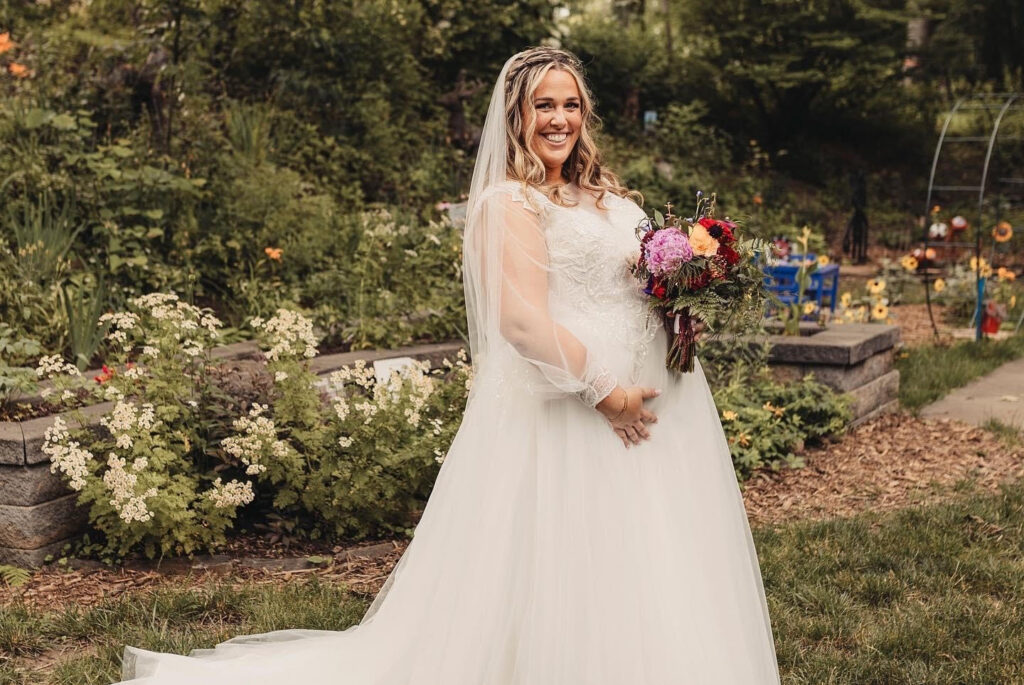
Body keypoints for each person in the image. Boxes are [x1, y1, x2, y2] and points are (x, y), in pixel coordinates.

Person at [116, 46, 781, 684]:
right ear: (516, 116)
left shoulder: (605, 196)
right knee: (571, 555)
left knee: (650, 551)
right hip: (574, 407)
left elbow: (629, 282)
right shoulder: (508, 203)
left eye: (571, 104)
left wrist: (682, 282)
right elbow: (520, 320)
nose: (559, 119)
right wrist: (606, 391)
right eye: (542, 105)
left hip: (656, 401)